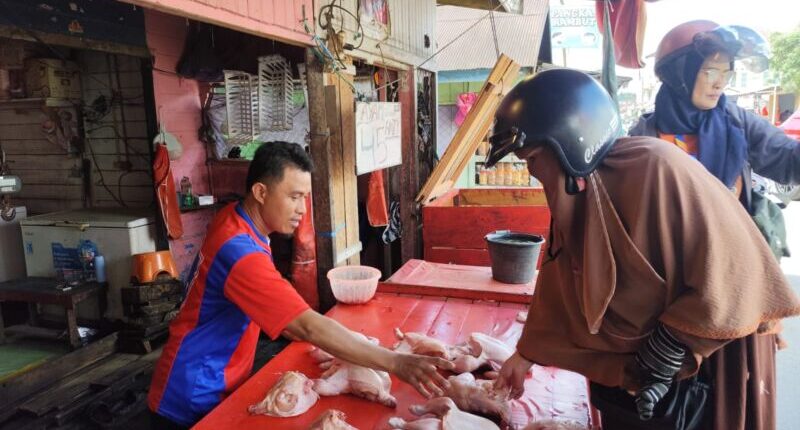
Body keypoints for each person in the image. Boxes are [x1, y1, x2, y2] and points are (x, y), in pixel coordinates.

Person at [484, 69, 800, 430]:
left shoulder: (656, 169)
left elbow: (739, 271)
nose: (533, 173)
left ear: (569, 143)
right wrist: (526, 354)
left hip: (710, 353)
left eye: (532, 160)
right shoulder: (580, 189)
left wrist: (671, 343)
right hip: (645, 377)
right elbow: (561, 275)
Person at [147, 142, 453, 429]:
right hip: (193, 394)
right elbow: (305, 327)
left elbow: (290, 322)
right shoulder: (239, 252)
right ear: (261, 192)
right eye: (294, 197)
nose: (303, 209)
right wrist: (394, 362)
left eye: (304, 197)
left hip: (212, 377)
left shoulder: (237, 220)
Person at [628, 21, 800, 429]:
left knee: (732, 402)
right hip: (669, 302)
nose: (720, 82)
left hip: (733, 297)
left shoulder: (738, 123)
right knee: (668, 406)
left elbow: (790, 161)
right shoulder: (646, 135)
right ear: (680, 73)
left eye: (727, 72)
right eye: (710, 71)